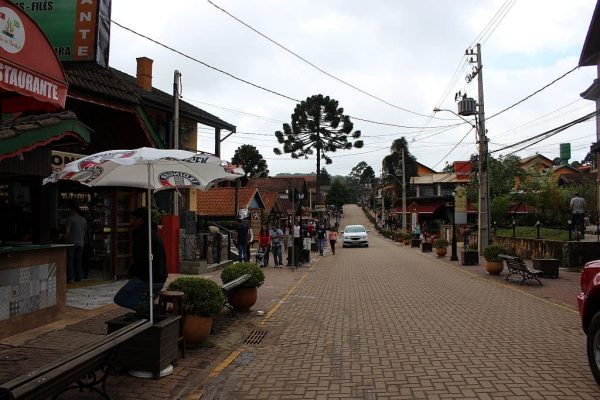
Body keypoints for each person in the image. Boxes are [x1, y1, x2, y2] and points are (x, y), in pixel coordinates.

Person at [114, 207, 167, 312]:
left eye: (134, 219)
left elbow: (141, 259)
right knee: (141, 300)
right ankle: (148, 312)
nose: (131, 222)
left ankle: (149, 309)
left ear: (141, 220)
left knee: (120, 298)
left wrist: (131, 273)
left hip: (148, 278)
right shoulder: (152, 232)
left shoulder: (144, 235)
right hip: (159, 277)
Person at [65, 204, 87, 283]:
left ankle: (71, 278)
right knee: (78, 260)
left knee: (70, 261)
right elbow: (84, 232)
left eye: (70, 209)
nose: (69, 211)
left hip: (72, 242)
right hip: (81, 243)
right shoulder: (83, 219)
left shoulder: (70, 218)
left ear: (73, 210)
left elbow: (67, 230)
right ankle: (79, 277)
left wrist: (66, 240)